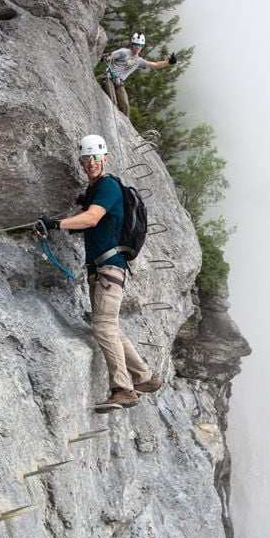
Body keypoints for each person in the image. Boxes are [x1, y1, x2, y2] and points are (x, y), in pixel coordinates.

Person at [38, 134, 161, 412]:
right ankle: (144, 377)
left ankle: (123, 389)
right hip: (104, 269)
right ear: (81, 162)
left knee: (103, 326)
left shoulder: (107, 187)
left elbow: (92, 218)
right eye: (86, 158)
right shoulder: (96, 191)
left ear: (105, 158)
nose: (91, 163)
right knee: (111, 327)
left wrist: (55, 224)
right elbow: (89, 223)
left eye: (95, 157)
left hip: (109, 268)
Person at [101, 32, 178, 120]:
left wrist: (168, 62)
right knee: (113, 101)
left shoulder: (139, 61)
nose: (138, 47)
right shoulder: (124, 52)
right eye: (136, 45)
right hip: (108, 78)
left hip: (119, 83)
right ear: (132, 44)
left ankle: (125, 126)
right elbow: (111, 56)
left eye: (140, 45)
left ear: (142, 47)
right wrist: (106, 59)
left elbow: (155, 65)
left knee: (125, 105)